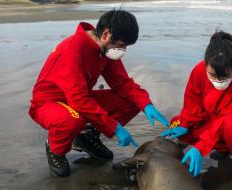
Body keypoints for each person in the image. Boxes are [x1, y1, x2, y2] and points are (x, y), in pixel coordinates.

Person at [29, 10, 169, 177]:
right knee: (71, 122)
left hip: (78, 98)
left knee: (132, 101)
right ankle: (55, 150)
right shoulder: (72, 49)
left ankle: (86, 137)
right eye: (121, 44)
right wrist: (114, 127)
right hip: (48, 103)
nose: (122, 50)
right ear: (106, 34)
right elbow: (79, 100)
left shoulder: (105, 49)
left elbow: (122, 83)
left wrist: (146, 105)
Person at [161, 31, 232, 190]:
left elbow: (225, 122)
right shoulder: (198, 70)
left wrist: (200, 148)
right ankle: (224, 148)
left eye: (225, 76)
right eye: (213, 75)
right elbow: (191, 103)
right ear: (206, 64)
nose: (218, 81)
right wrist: (185, 124)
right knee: (178, 122)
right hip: (217, 117)